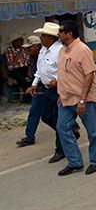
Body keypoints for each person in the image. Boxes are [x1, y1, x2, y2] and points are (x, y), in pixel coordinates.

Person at [17, 24, 77, 163]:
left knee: (58, 118)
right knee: (46, 116)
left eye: (43, 36)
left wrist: (58, 80)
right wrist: (33, 85)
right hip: (46, 89)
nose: (41, 38)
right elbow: (40, 70)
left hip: (58, 89)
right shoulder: (43, 50)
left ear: (50, 37)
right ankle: (69, 131)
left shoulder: (60, 50)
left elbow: (66, 70)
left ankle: (61, 150)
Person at [56, 20, 96, 176]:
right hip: (66, 98)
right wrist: (60, 93)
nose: (59, 33)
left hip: (83, 98)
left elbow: (89, 75)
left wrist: (82, 99)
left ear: (69, 33)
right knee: (62, 128)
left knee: (92, 132)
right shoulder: (62, 51)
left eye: (61, 30)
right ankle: (75, 162)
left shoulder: (83, 49)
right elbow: (63, 74)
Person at [4, 33, 31, 103]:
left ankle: (26, 97)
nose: (22, 42)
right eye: (20, 40)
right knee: (23, 81)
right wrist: (19, 52)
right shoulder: (9, 50)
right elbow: (12, 63)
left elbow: (27, 61)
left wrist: (28, 69)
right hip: (14, 70)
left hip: (24, 68)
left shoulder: (25, 49)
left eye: (22, 40)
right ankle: (28, 98)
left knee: (30, 79)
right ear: (14, 42)